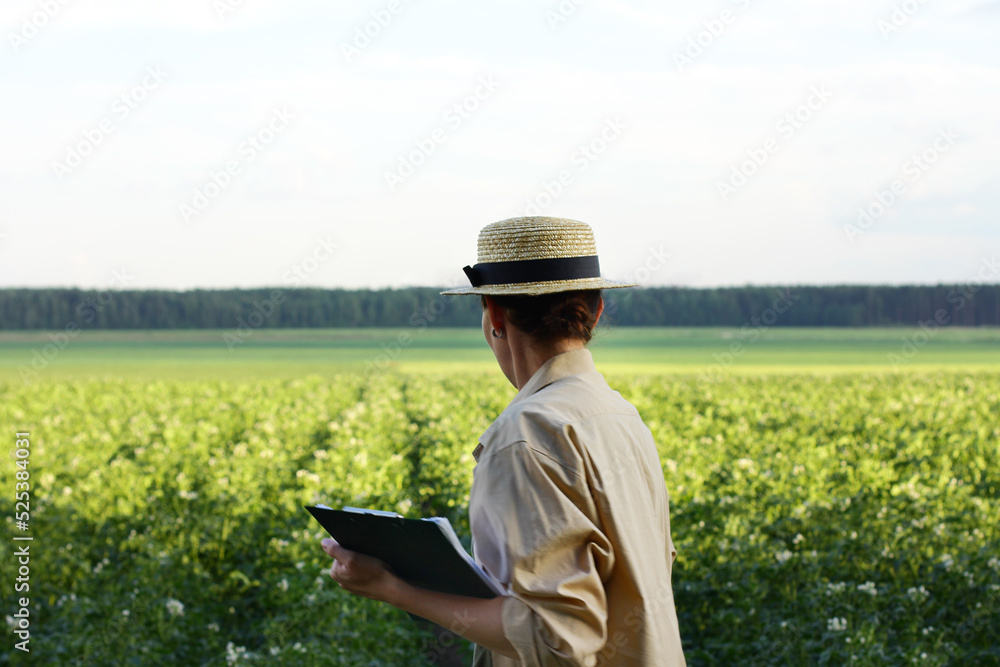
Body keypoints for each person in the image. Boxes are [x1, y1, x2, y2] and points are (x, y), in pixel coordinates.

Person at [320, 216, 686, 665]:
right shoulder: (620, 415)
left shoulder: (527, 434)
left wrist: (394, 588)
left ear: (494, 313)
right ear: (597, 310)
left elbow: (558, 640)